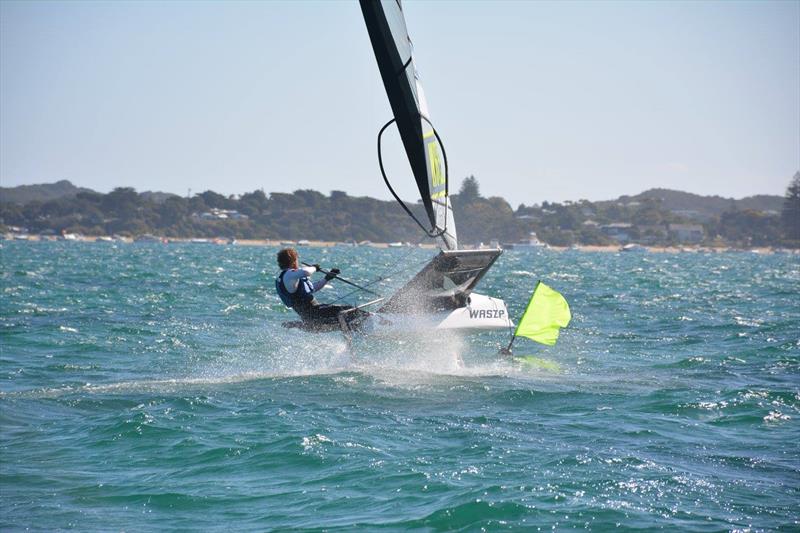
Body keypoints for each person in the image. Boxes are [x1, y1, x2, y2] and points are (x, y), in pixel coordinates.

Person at [275, 247, 355, 327]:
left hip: (313, 319)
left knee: (344, 317)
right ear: (293, 261)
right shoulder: (289, 274)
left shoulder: (288, 277)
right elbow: (306, 272)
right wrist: (314, 268)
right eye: (296, 259)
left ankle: (299, 325)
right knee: (350, 311)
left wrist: (326, 279)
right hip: (316, 316)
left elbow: (312, 288)